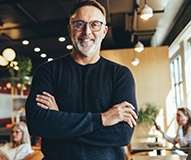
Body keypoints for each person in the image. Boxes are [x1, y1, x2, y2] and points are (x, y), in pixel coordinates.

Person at [25, 0, 138, 159]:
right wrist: (103, 119)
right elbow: (37, 124)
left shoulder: (120, 74)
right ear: (70, 29)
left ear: (104, 31)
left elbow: (123, 135)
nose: (87, 31)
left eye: (95, 25)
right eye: (79, 24)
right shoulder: (47, 71)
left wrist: (60, 120)